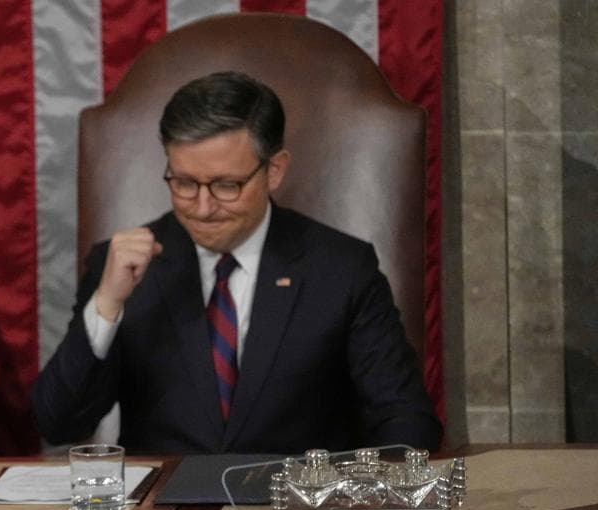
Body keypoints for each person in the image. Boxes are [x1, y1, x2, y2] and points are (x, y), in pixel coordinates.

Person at [33, 71, 441, 455]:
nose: (204, 207)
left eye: (227, 185)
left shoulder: (341, 268)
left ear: (274, 171)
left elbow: (405, 422)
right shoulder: (124, 267)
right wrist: (107, 304)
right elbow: (58, 423)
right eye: (185, 183)